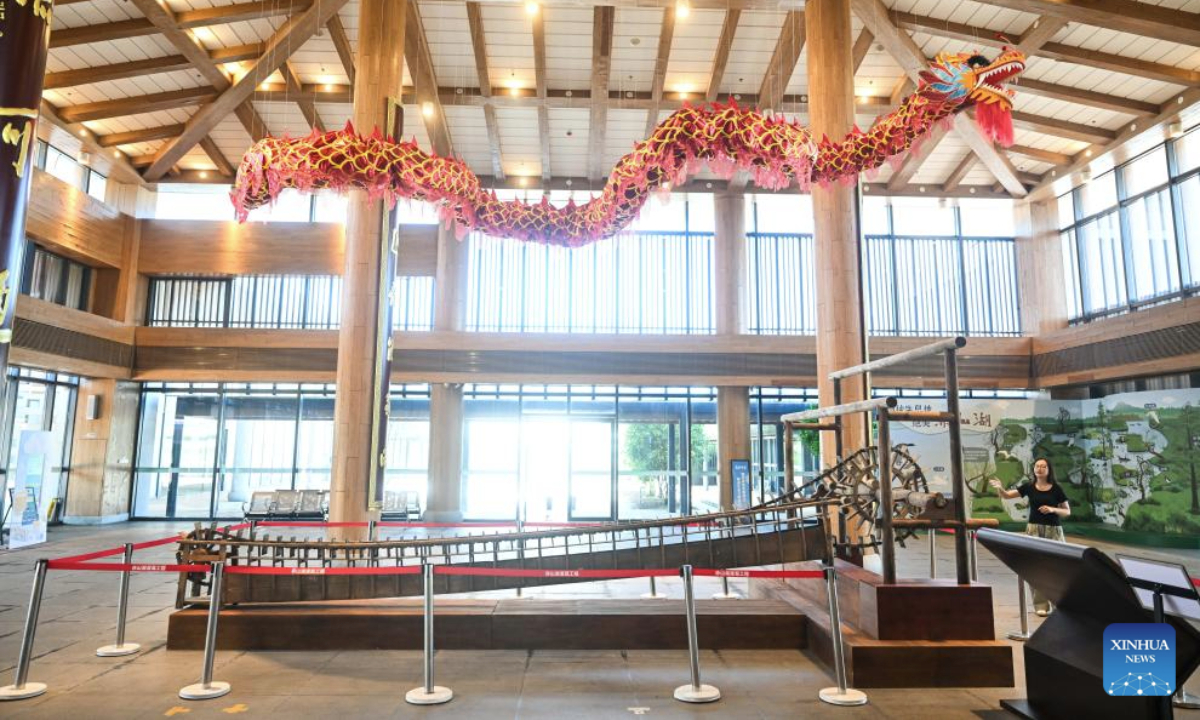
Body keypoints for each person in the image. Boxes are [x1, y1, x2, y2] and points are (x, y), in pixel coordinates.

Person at [989, 457, 1070, 617]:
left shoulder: (1056, 489)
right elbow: (1007, 496)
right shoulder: (1029, 487)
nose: (1039, 468)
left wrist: (1053, 509)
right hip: (1033, 530)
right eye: (1037, 466)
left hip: (1053, 531)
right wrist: (1000, 488)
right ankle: (1041, 605)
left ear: (1049, 470)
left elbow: (1067, 511)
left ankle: (1058, 603)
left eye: (1043, 466)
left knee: (1057, 566)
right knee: (1036, 566)